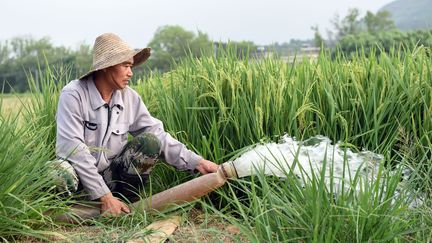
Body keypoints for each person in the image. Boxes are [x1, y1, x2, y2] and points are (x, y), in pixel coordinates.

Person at [53, 33, 218, 216]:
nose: (130, 73)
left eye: (131, 66)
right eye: (126, 66)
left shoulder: (129, 97)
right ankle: (71, 209)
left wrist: (197, 162)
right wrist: (103, 195)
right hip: (81, 180)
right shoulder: (73, 94)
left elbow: (158, 135)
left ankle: (122, 205)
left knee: (150, 142)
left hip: (112, 179)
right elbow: (72, 148)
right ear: (107, 67)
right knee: (57, 173)